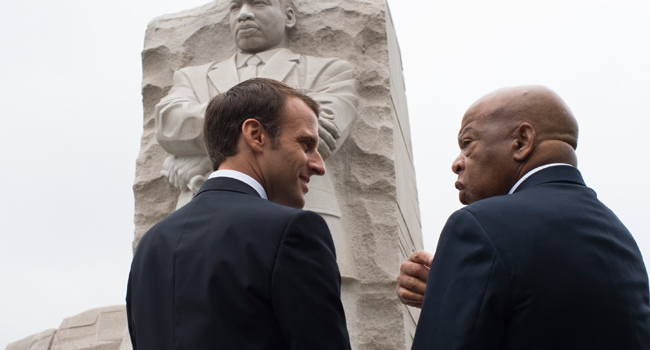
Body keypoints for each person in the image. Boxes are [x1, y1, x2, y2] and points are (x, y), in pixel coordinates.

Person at [396, 86, 650, 349]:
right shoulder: (622, 240)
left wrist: (448, 304)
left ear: (522, 142)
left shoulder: (477, 225)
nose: (456, 163)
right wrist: (459, 294)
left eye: (467, 143)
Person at [127, 78, 351, 350]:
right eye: (305, 144)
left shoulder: (150, 245)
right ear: (256, 135)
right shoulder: (293, 231)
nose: (318, 166)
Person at [155, 0, 358, 278]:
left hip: (304, 223)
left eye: (259, 3)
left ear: (288, 16)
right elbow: (169, 125)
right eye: (235, 6)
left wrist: (201, 162)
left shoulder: (328, 71)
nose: (245, 14)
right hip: (206, 229)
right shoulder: (191, 76)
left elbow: (323, 134)